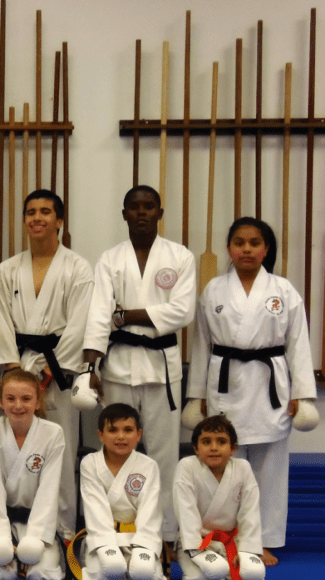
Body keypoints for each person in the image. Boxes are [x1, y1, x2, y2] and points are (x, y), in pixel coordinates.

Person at [184, 217, 316, 566]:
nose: (246, 249)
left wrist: (302, 395)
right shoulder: (213, 289)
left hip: (269, 384)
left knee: (270, 468)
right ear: (229, 248)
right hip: (225, 384)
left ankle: (262, 541)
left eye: (254, 243)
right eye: (239, 243)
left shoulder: (283, 291)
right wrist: (195, 395)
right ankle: (225, 536)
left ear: (265, 249)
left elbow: (298, 344)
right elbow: (201, 346)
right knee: (225, 466)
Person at [80, 185, 195, 541]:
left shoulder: (180, 257)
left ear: (160, 213)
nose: (142, 213)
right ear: (124, 214)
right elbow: (100, 313)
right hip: (118, 366)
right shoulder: (110, 259)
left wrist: (127, 314)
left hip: (162, 367)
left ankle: (167, 533)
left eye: (149, 207)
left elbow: (183, 311)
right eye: (135, 207)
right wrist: (90, 369)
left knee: (163, 454)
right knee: (115, 448)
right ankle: (112, 528)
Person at [0, 189, 93, 541]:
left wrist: (51, 372)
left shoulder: (78, 268)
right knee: (11, 448)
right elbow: (0, 321)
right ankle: (10, 527)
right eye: (30, 212)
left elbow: (80, 322)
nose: (37, 218)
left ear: (60, 221)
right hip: (18, 371)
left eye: (46, 211)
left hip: (57, 373)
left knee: (60, 449)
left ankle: (62, 530)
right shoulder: (7, 269)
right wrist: (13, 376)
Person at [0, 369, 65, 580]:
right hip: (2, 521)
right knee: (2, 576)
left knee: (41, 576)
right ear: (0, 402)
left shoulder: (53, 433)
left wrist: (34, 540)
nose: (18, 406)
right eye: (10, 398)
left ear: (37, 402)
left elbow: (49, 490)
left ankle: (35, 548)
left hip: (36, 521)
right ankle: (4, 547)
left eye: (26, 399)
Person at [74, 403, 166, 580]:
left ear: (138, 435)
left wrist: (143, 546)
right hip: (103, 536)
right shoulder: (90, 463)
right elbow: (95, 509)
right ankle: (121, 572)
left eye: (128, 430)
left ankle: (134, 572)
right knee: (113, 569)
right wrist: (109, 546)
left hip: (138, 536)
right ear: (101, 435)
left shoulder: (148, 465)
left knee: (143, 574)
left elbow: (150, 512)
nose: (121, 436)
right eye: (113, 430)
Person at [173, 415, 265, 580]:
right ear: (196, 448)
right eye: (206, 442)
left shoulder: (243, 468)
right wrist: (196, 549)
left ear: (233, 448)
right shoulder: (187, 466)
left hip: (233, 541)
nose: (214, 448)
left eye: (221, 442)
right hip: (198, 541)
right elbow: (186, 512)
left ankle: (228, 574)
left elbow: (250, 513)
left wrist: (248, 549)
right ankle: (218, 574)